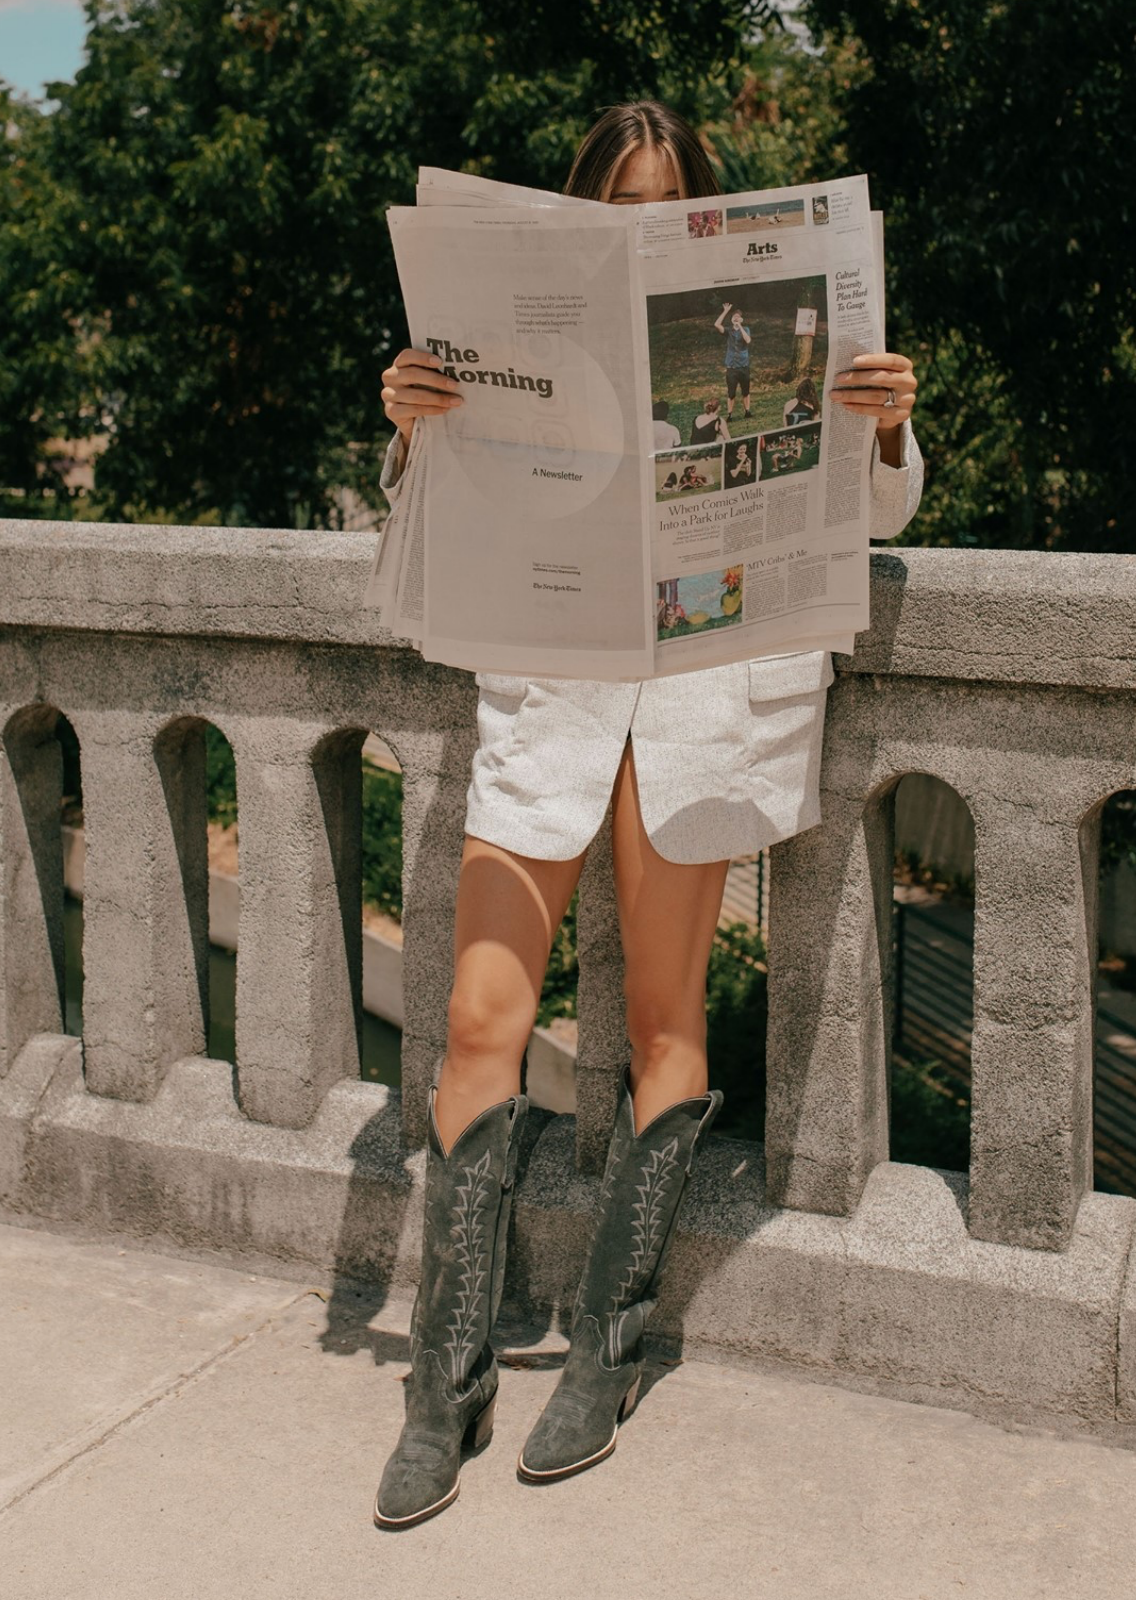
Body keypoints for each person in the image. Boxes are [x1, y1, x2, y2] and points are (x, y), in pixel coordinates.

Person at [374, 99, 921, 1531]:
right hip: (551, 702)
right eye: (619, 201)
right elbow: (433, 556)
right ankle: (449, 1381)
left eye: (665, 201)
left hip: (695, 694)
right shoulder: (516, 347)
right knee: (480, 1025)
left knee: (666, 1026)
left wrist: (881, 427)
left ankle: (607, 1349)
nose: (641, 220)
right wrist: (415, 427)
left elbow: (877, 524)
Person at [714, 301, 752, 421]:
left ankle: (747, 411)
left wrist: (740, 326)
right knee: (731, 393)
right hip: (732, 368)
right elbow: (716, 324)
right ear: (731, 320)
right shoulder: (728, 331)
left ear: (741, 319)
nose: (735, 319)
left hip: (744, 367)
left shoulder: (745, 329)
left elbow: (748, 340)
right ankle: (730, 415)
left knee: (746, 391)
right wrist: (725, 311)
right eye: (733, 317)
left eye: (737, 317)